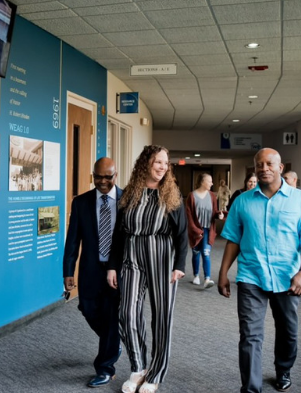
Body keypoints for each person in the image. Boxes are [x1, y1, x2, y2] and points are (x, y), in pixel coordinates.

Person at [218, 148, 301, 393]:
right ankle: (251, 388)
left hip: (287, 278)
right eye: (259, 164)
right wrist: (223, 272)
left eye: (269, 164)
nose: (264, 168)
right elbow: (233, 239)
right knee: (250, 335)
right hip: (251, 275)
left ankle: (283, 369)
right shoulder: (243, 201)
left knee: (288, 331)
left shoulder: (300, 200)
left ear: (280, 167)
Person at [106, 145, 189, 393]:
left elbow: (182, 233)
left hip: (162, 257)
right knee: (127, 313)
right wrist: (112, 266)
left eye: (165, 163)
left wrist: (179, 265)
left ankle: (155, 373)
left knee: (161, 318)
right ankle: (139, 367)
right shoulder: (130, 194)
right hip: (132, 255)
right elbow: (118, 234)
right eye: (157, 162)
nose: (162, 167)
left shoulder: (171, 194)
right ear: (146, 164)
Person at [62, 157, 123, 388]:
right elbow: (73, 240)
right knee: (87, 308)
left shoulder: (128, 200)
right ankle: (113, 343)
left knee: (111, 316)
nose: (103, 181)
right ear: (93, 176)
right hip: (90, 268)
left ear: (115, 175)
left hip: (117, 270)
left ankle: (105, 368)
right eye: (98, 177)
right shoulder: (81, 202)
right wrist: (68, 270)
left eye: (108, 177)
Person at [185, 172, 220, 287]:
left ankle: (207, 279)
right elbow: (189, 217)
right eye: (209, 181)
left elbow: (214, 212)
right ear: (202, 182)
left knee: (206, 252)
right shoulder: (191, 196)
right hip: (196, 230)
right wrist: (195, 231)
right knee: (196, 253)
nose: (212, 183)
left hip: (208, 230)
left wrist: (219, 215)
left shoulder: (212, 196)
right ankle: (196, 276)